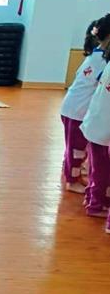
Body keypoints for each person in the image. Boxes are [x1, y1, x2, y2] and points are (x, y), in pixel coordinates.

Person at [60, 17, 110, 193]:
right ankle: (71, 180)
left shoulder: (96, 55)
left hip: (76, 109)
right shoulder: (102, 61)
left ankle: (72, 172)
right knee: (76, 150)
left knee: (77, 148)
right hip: (77, 111)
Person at [81, 48, 110, 225]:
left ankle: (94, 202)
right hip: (103, 127)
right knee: (100, 170)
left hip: (96, 123)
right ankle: (97, 203)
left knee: (98, 169)